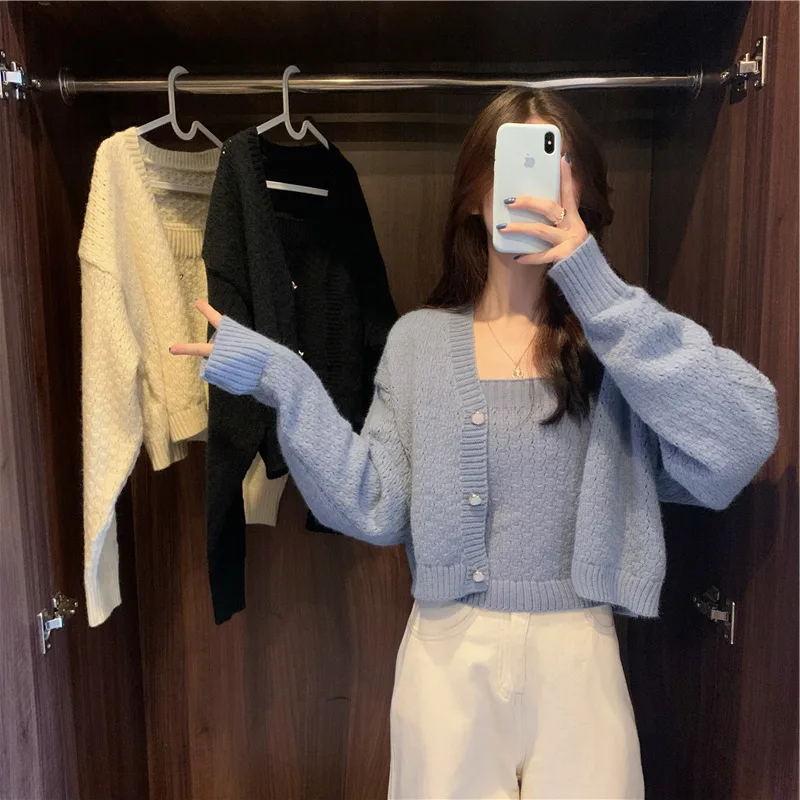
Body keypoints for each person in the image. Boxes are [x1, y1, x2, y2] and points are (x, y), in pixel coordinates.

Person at [170, 89, 778, 800]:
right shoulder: (418, 343)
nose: (531, 186)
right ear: (474, 196)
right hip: (446, 660)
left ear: (582, 192)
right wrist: (284, 379)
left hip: (581, 660)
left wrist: (594, 284)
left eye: (553, 164)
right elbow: (372, 504)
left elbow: (745, 434)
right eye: (511, 163)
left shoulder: (621, 346)